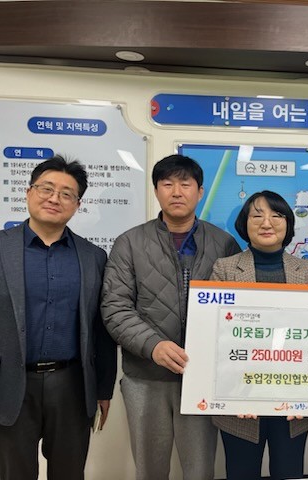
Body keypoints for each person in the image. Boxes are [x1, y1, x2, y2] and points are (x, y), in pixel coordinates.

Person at [0, 155, 117, 480]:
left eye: (66, 194)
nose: (55, 198)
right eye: (46, 188)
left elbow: (102, 331)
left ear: (78, 205)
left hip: (72, 387)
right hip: (6, 387)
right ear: (28, 192)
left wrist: (103, 390)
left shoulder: (93, 257)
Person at [101, 154, 241, 480]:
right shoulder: (129, 243)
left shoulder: (224, 244)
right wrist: (153, 345)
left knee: (200, 470)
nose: (176, 192)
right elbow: (115, 307)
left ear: (200, 192)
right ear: (156, 191)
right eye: (167, 184)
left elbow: (239, 310)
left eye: (185, 184)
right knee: (149, 470)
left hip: (203, 378)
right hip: (145, 376)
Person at [210, 190, 308, 480]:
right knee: (241, 473)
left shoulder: (305, 270)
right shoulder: (224, 269)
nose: (267, 222)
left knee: (289, 472)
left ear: (288, 224)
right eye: (257, 215)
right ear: (244, 224)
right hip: (240, 403)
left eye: (277, 215)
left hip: (293, 402)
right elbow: (215, 337)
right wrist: (234, 393)